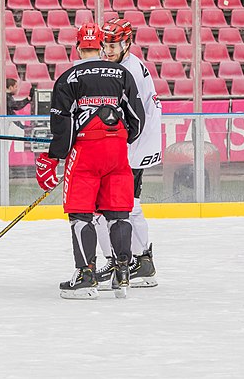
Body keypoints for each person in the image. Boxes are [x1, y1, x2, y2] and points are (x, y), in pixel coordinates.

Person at [35, 23, 145, 300]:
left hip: (85, 155)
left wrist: (55, 154)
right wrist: (118, 138)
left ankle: (85, 276)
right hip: (118, 153)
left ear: (78, 47)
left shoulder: (70, 77)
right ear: (101, 46)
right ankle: (122, 275)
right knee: (118, 213)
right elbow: (137, 119)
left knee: (81, 214)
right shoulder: (122, 73)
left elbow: (63, 124)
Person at [93, 18, 162, 289]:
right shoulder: (121, 65)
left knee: (127, 203)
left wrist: (120, 145)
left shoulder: (130, 70)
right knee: (121, 202)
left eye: (114, 45)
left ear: (127, 43)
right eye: (105, 45)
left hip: (138, 143)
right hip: (137, 141)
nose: (108, 51)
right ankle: (126, 258)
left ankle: (142, 261)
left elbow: (137, 118)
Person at [0, 78, 32, 184]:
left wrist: (22, 126)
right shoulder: (4, 96)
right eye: (16, 87)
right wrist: (28, 98)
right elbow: (16, 107)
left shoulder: (4, 97)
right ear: (11, 87)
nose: (17, 89)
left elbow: (11, 113)